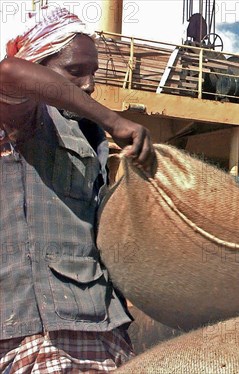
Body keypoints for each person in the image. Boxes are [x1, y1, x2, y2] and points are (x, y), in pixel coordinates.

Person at [0, 6, 155, 372]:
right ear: (37, 65)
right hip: (26, 331)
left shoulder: (86, 134)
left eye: (93, 73)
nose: (88, 84)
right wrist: (113, 119)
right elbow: (8, 72)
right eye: (74, 71)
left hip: (98, 326)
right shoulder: (24, 117)